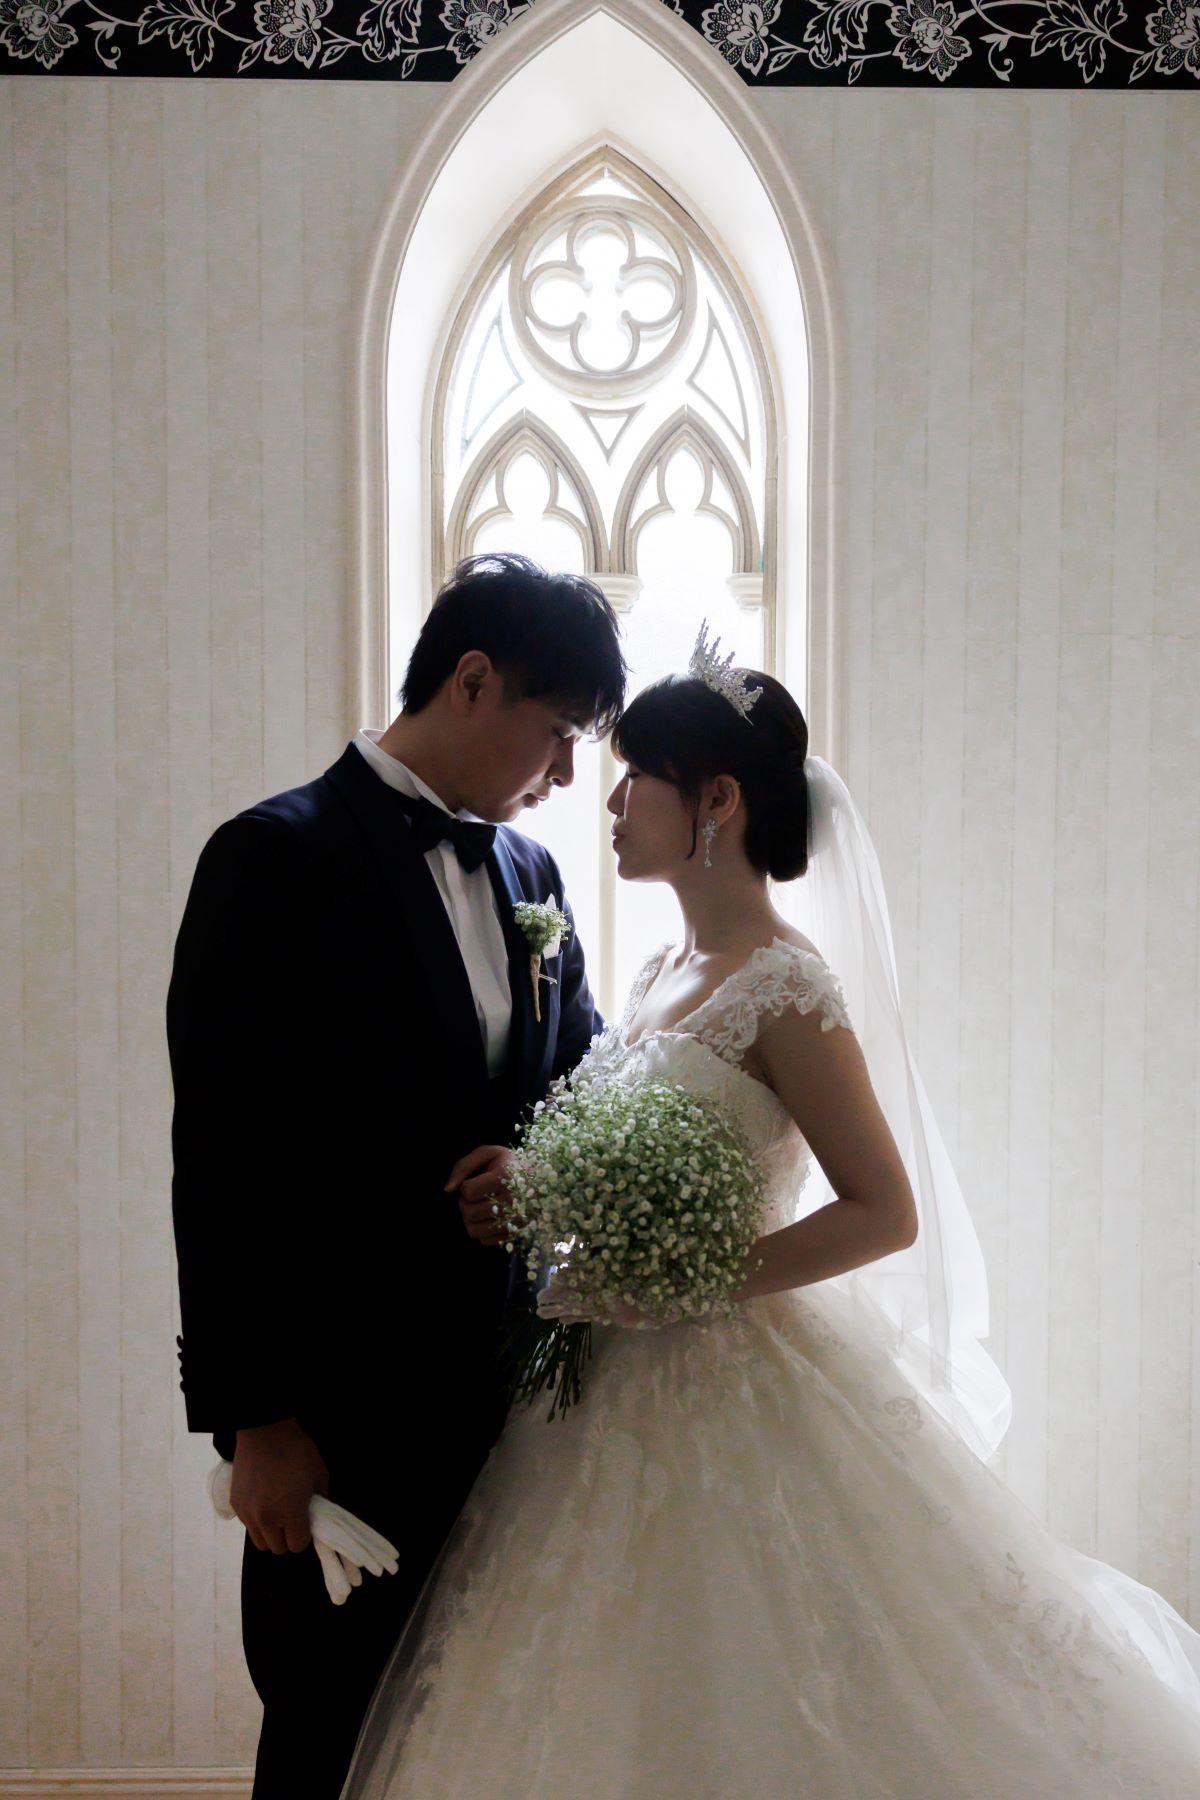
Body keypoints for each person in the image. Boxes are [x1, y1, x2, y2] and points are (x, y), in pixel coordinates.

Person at [339, 633, 1200, 1798]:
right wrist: (537, 1184)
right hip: (601, 1389)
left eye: (634, 780)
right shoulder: (657, 971)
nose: (610, 803)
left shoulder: (788, 987)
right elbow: (625, 1161)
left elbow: (884, 1211)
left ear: (718, 801)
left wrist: (691, 1283)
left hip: (738, 1385)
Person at [166, 552, 627, 1799]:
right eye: (559, 731)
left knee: (468, 1741)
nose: (567, 775)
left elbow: (579, 1084)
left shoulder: (533, 878)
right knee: (324, 1732)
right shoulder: (273, 859)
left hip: (505, 1409)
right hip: (336, 1416)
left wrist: (539, 1167)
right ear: (472, 681)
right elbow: (220, 1164)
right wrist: (259, 1425)